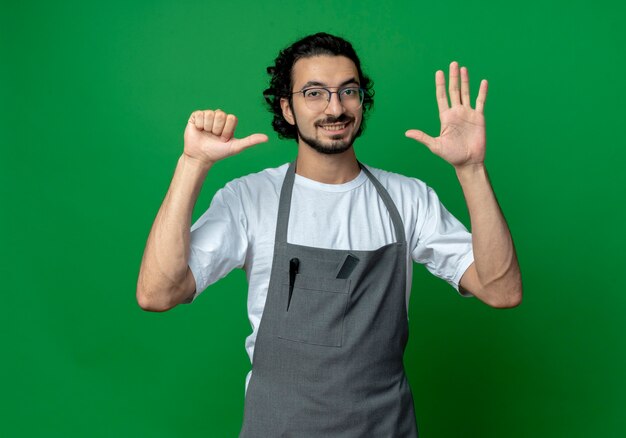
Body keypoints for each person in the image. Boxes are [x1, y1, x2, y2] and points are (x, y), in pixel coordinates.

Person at [137, 32, 522, 437]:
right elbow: (158, 293)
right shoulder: (250, 198)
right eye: (314, 93)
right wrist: (192, 163)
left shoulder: (408, 199)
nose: (334, 108)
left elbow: (501, 290)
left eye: (348, 91)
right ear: (287, 108)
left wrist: (471, 169)